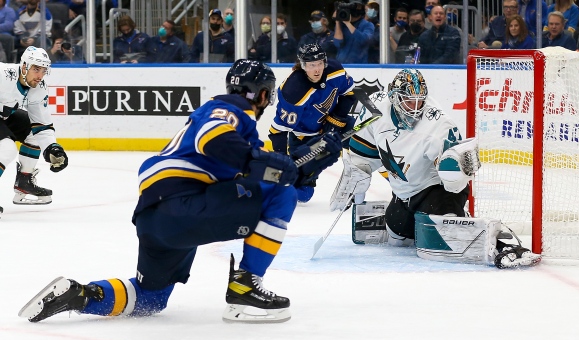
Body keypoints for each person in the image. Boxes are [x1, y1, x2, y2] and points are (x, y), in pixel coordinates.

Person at [18, 59, 343, 324]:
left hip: (156, 218)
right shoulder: (231, 109)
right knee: (279, 195)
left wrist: (306, 165)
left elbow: (273, 172)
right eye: (268, 95)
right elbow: (214, 139)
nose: (267, 102)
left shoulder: (228, 122)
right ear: (259, 94)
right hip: (183, 202)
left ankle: (82, 295)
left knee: (151, 298)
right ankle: (245, 286)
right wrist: (288, 168)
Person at [330, 68, 541, 269]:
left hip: (437, 191)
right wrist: (355, 177)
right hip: (405, 194)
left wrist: (454, 167)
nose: (415, 107)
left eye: (420, 101)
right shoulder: (374, 108)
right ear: (394, 98)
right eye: (409, 101)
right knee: (398, 240)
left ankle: (503, 242)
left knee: (441, 235)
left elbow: (457, 177)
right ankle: (429, 218)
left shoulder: (439, 126)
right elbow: (363, 152)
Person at [268, 43, 356, 203]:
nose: (317, 69)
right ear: (302, 65)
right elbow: (278, 131)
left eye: (320, 63)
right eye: (311, 65)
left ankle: (359, 176)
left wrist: (335, 121)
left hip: (334, 127)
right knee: (303, 194)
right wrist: (283, 161)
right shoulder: (293, 91)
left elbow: (349, 95)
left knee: (363, 140)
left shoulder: (335, 71)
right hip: (305, 139)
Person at [0, 46, 68, 216]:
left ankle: (24, 181)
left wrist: (53, 147)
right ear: (24, 66)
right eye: (36, 69)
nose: (40, 75)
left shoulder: (39, 86)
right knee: (7, 149)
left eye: (44, 70)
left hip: (4, 116)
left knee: (34, 133)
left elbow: (41, 125)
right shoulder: (3, 74)